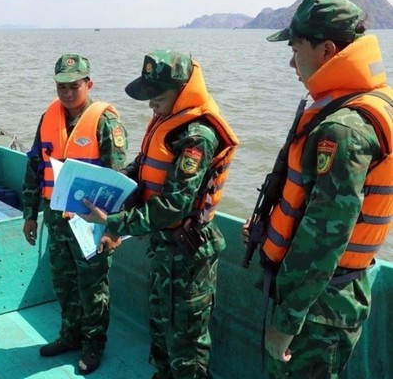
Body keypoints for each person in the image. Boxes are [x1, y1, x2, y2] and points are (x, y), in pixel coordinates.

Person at [242, 0, 393, 377]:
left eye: (296, 49)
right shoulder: (363, 105)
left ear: (327, 50)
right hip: (327, 296)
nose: (292, 61)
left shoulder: (342, 129)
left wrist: (286, 323)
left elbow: (326, 237)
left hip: (318, 310)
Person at [81, 50, 239, 379]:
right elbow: (144, 167)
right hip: (164, 248)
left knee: (186, 339)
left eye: (158, 96)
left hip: (188, 255)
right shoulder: (165, 122)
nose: (151, 104)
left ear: (182, 93)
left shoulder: (197, 136)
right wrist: (113, 183)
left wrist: (113, 222)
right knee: (161, 326)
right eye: (149, 96)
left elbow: (174, 206)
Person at [21, 53, 128, 375]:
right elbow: (35, 166)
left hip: (89, 223)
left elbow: (119, 180)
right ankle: (70, 335)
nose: (67, 93)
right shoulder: (48, 117)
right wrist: (30, 214)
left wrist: (114, 229)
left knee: (93, 287)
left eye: (74, 86)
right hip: (56, 220)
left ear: (88, 83)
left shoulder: (106, 122)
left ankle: (93, 345)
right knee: (64, 282)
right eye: (61, 86)